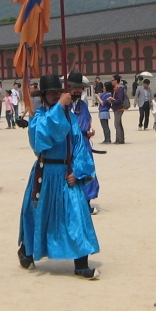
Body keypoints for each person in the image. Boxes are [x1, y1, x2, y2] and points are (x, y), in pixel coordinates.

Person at [16, 74, 100, 278]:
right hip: (45, 173)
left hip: (67, 173)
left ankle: (81, 264)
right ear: (43, 95)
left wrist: (77, 171)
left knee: (77, 215)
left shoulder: (70, 117)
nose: (55, 96)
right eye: (51, 93)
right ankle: (26, 250)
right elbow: (40, 140)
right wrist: (59, 107)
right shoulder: (37, 117)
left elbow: (79, 146)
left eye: (58, 92)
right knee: (38, 214)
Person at [66, 71, 101, 213]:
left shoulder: (83, 105)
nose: (77, 90)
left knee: (86, 171)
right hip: (68, 145)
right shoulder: (62, 105)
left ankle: (86, 203)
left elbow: (86, 122)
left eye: (79, 88)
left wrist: (88, 132)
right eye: (74, 87)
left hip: (84, 145)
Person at [110, 75, 128, 144]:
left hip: (119, 108)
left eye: (112, 80)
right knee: (119, 123)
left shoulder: (119, 89)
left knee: (117, 124)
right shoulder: (115, 89)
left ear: (116, 81)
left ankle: (119, 139)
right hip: (116, 108)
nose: (111, 81)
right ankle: (121, 138)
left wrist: (112, 101)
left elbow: (120, 99)